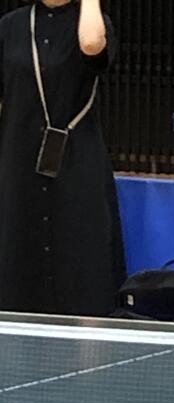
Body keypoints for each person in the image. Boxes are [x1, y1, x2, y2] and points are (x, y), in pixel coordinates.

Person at [0, 0, 125, 316]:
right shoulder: (11, 26)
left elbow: (92, 45)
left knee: (79, 254)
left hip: (77, 159)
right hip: (18, 160)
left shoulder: (94, 24)